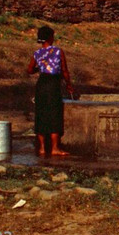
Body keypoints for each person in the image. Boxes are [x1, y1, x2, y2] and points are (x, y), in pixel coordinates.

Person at [26, 25, 74, 157]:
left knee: (41, 114)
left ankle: (41, 148)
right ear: (50, 38)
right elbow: (64, 70)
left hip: (41, 85)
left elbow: (29, 70)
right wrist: (69, 84)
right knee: (54, 115)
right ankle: (55, 148)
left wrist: (40, 69)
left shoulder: (37, 53)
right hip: (53, 85)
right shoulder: (58, 51)